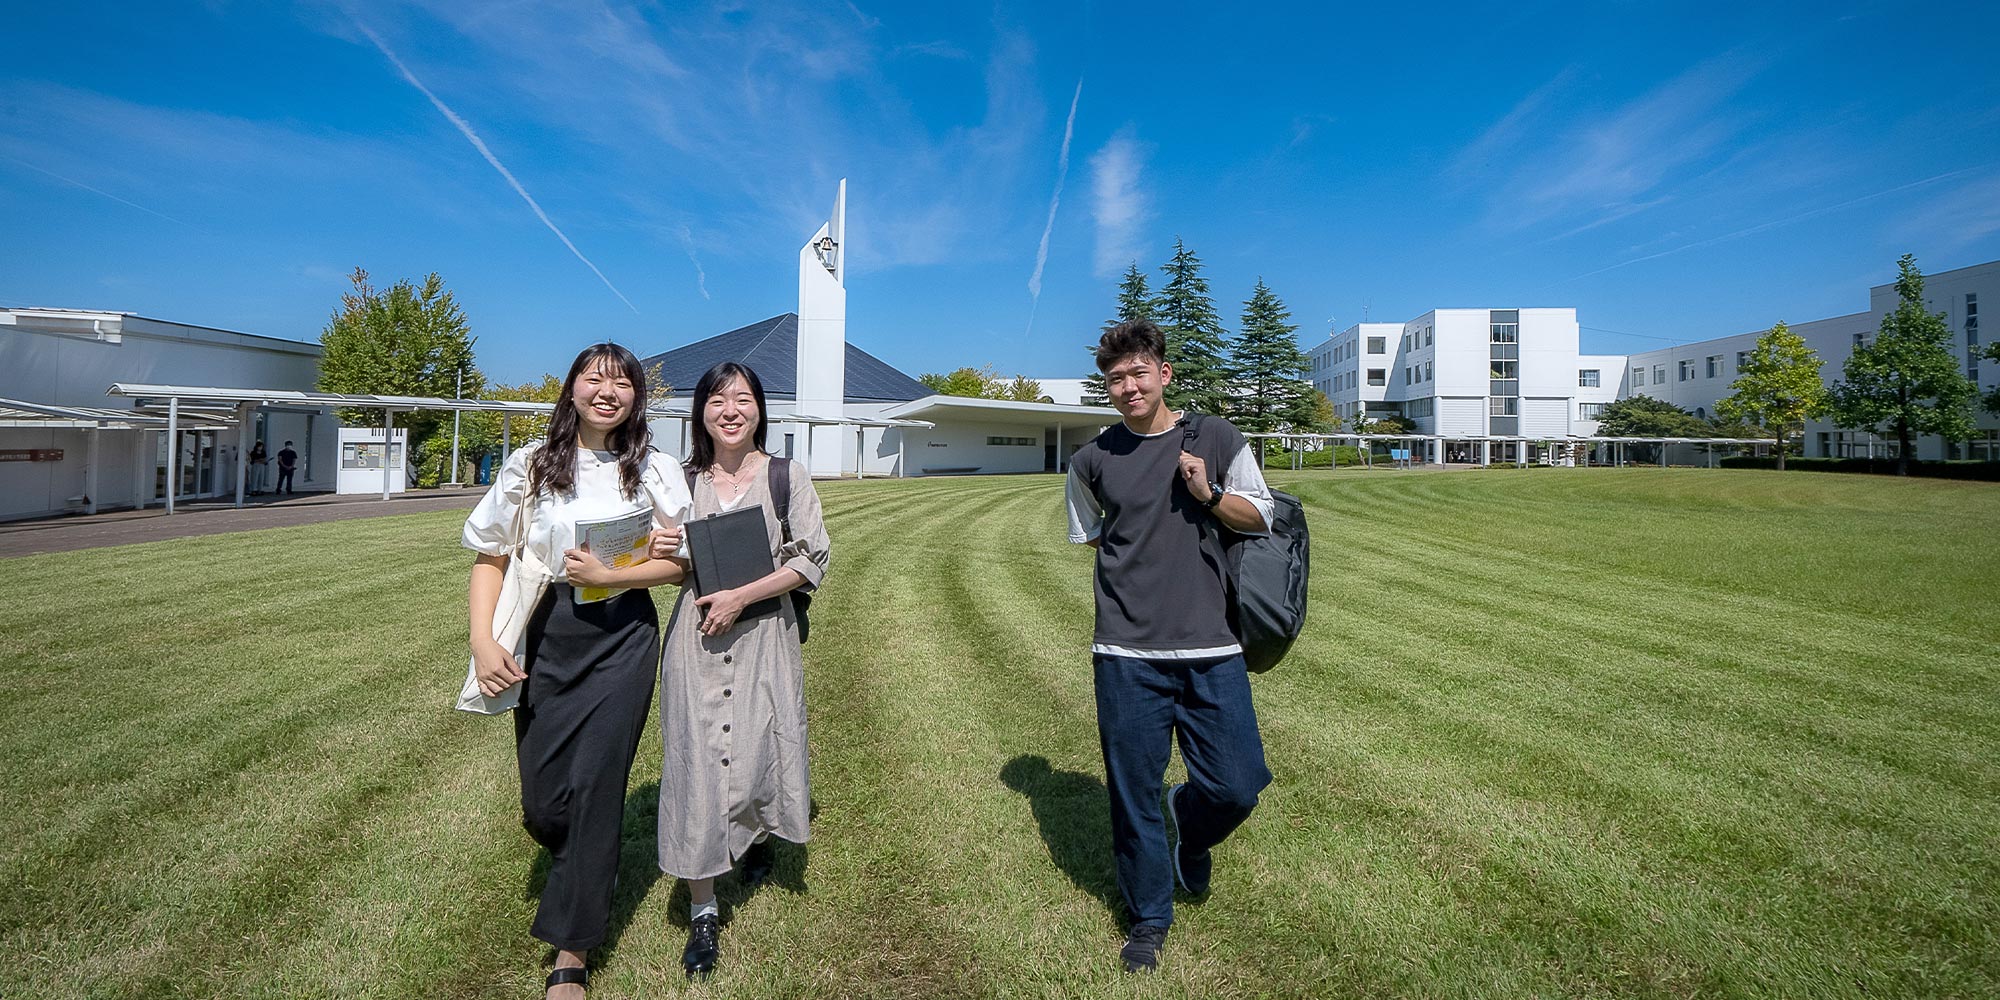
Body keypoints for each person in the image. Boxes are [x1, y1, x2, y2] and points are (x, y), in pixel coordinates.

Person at [464, 343, 692, 1000]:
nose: (608, 391)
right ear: (572, 391)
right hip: (549, 631)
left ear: (636, 399)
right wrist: (483, 642)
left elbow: (677, 565)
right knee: (545, 806)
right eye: (595, 379)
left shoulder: (655, 468)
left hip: (623, 637)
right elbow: (490, 557)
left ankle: (572, 951)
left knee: (597, 787)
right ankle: (572, 852)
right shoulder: (529, 466)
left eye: (622, 382)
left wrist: (614, 571)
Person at [1064, 320, 1276, 973]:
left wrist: (1208, 494)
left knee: (1238, 784)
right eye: (1115, 379)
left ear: (1164, 374)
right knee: (1133, 791)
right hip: (1126, 653)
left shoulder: (1213, 437)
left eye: (1137, 373)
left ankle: (1193, 816)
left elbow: (1261, 515)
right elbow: (1094, 536)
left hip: (1212, 646)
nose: (1127, 387)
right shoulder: (1092, 460)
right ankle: (1149, 919)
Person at [649, 361, 828, 979]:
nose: (731, 410)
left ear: (759, 409)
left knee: (757, 747)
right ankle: (703, 909)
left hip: (764, 640)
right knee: (697, 762)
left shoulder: (786, 476)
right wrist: (662, 548)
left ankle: (751, 837)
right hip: (695, 644)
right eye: (717, 400)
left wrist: (741, 596)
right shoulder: (682, 480)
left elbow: (811, 560)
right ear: (700, 412)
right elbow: (663, 557)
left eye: (743, 399)